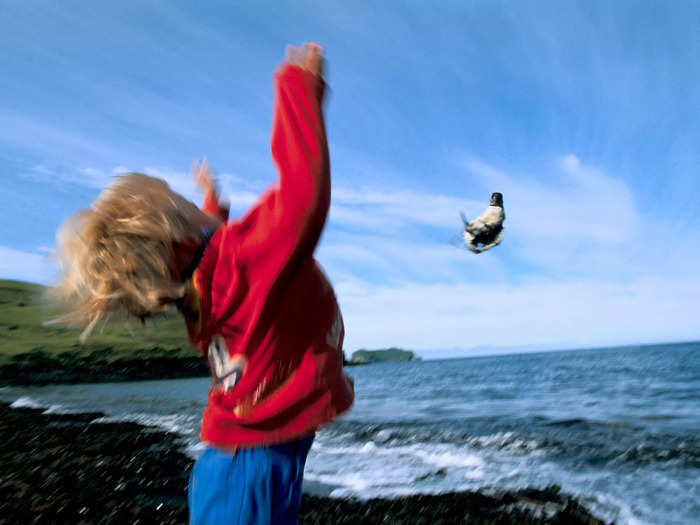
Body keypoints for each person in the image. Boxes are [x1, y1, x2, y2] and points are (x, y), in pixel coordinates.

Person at [53, 42, 354, 524]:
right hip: (252, 463)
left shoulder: (199, 285)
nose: (186, 201)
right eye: (176, 198)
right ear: (177, 237)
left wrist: (210, 201)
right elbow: (303, 198)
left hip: (249, 448)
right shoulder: (238, 261)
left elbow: (210, 245)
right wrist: (299, 90)